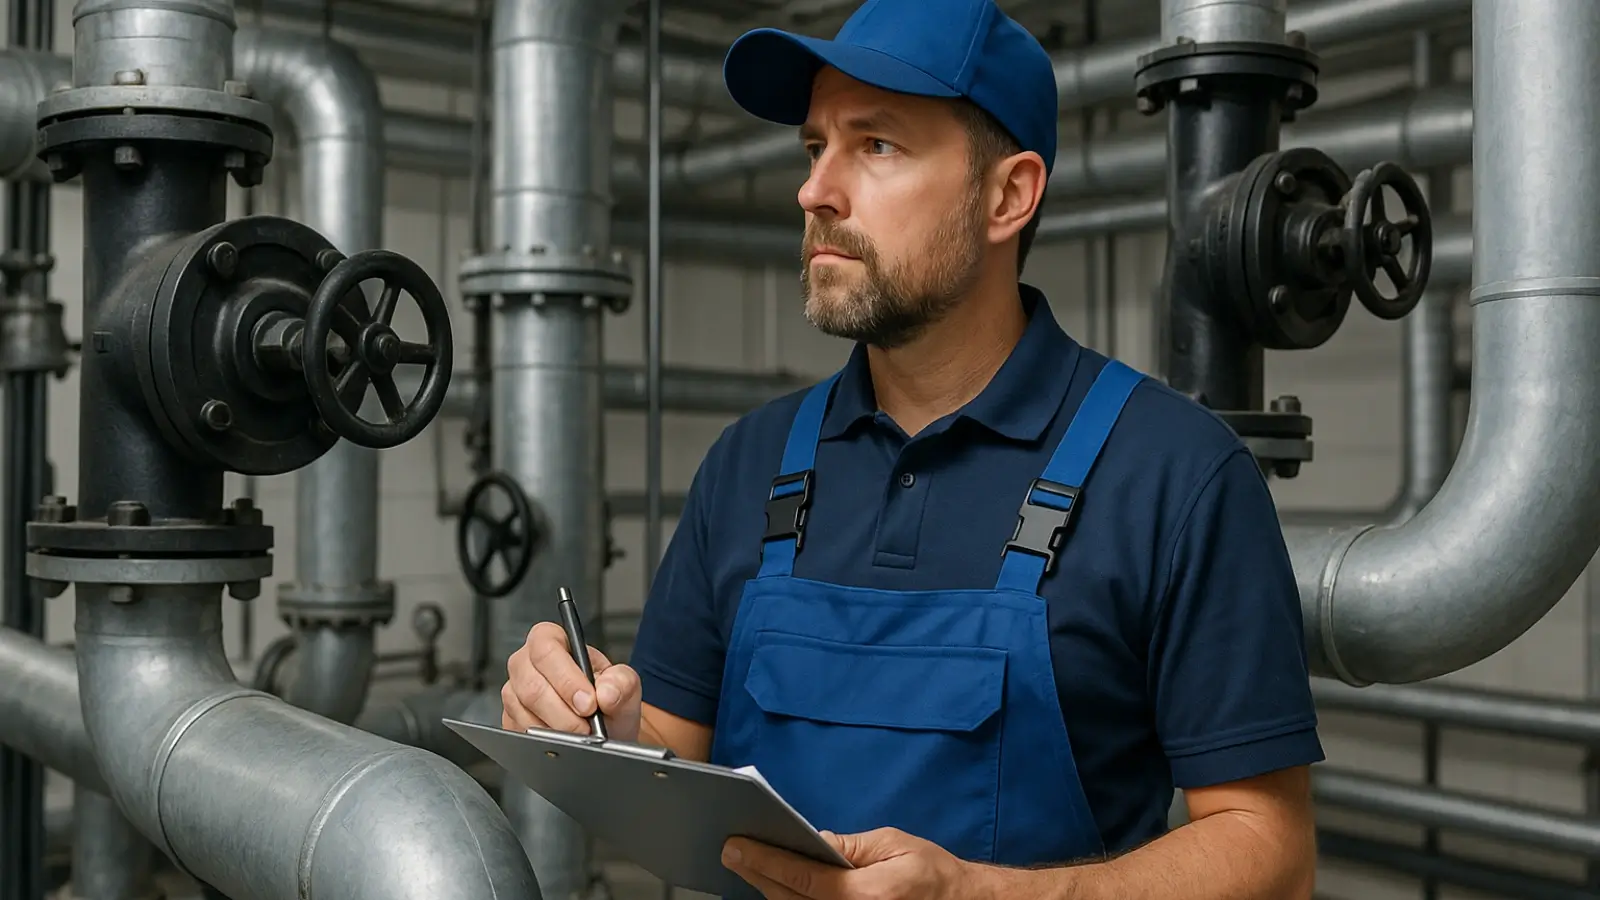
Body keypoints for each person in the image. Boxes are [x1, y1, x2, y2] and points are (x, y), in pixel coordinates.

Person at [502, 0, 1323, 895]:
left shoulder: (1175, 473)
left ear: (1008, 195)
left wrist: (985, 895)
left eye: (877, 145)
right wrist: (597, 732)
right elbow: (675, 750)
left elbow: (1269, 850)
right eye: (816, 146)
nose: (816, 190)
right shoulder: (751, 461)